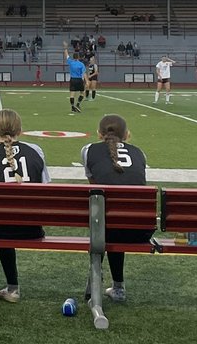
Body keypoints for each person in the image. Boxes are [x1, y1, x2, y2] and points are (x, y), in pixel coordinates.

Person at [0, 109, 50, 302]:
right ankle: (11, 287)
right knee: (5, 215)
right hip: (31, 228)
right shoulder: (36, 150)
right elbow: (46, 187)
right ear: (20, 130)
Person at [81, 113, 153, 303]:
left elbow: (94, 188)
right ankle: (118, 287)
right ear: (127, 134)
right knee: (117, 217)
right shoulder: (139, 153)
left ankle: (94, 281)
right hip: (140, 230)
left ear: (99, 133)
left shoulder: (88, 150)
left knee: (104, 217)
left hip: (106, 228)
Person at [63, 43, 86, 113]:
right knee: (82, 93)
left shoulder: (71, 62)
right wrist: (85, 80)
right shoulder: (81, 64)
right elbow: (83, 73)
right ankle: (78, 104)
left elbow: (66, 55)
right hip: (79, 79)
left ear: (73, 57)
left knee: (72, 94)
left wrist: (65, 48)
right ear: (78, 57)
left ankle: (73, 107)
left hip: (72, 79)